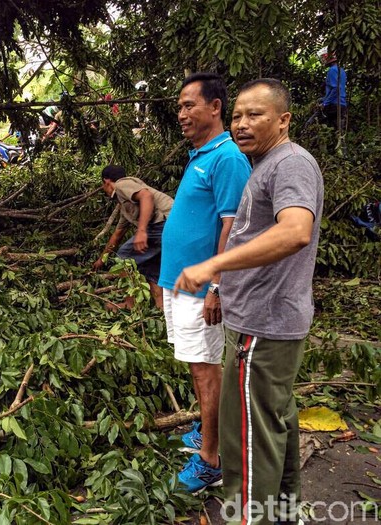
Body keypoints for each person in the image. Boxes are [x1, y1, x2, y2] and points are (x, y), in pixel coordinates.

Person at [174, 78, 324, 524]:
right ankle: (282, 513)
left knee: (247, 440)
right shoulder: (265, 164)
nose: (242, 123)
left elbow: (295, 231)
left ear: (283, 120)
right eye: (238, 115)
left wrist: (210, 268)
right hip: (262, 322)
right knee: (273, 423)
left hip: (264, 325)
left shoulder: (291, 164)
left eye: (254, 114)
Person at [158, 72, 251, 493]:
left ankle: (211, 461)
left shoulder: (227, 157)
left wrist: (217, 284)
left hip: (201, 290)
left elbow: (234, 227)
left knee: (205, 371)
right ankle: (206, 431)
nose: (181, 114)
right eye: (179, 106)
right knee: (199, 368)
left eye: (189, 105)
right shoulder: (201, 154)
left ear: (215, 107)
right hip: (179, 284)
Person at [93, 165, 173, 310]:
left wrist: (141, 231)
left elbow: (146, 196)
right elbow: (117, 234)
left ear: (106, 181)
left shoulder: (122, 184)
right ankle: (161, 307)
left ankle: (130, 304)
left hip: (165, 222)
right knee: (151, 266)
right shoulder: (125, 205)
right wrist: (102, 259)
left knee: (124, 258)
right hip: (167, 226)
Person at [318, 47, 347, 131]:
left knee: (324, 127)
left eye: (323, 57)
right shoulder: (341, 70)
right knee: (339, 131)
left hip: (334, 105)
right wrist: (323, 99)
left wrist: (325, 103)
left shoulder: (332, 70)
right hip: (342, 104)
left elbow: (335, 89)